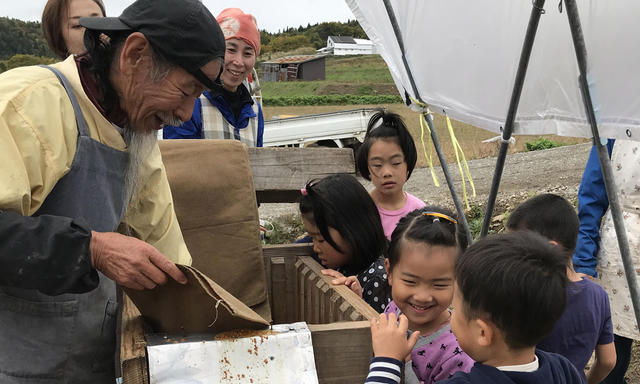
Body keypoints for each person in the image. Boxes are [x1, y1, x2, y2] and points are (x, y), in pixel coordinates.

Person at [0, 0, 225, 381]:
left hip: (89, 364)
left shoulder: (135, 130)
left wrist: (204, 325)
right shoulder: (28, 103)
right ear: (135, 55)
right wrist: (93, 249)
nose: (187, 115)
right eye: (186, 90)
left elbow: (165, 248)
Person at [368, 232, 585, 384]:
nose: (452, 315)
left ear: (482, 332)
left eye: (457, 307)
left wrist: (387, 361)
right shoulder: (563, 370)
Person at [507, 193, 615, 383]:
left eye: (516, 247)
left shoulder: (526, 295)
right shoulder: (598, 295)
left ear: (551, 248)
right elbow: (607, 360)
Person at [573, 139, 639, 384]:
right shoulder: (613, 131)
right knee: (614, 350)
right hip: (621, 253)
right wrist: (584, 260)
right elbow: (591, 196)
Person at [383, 207, 473, 383]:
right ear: (390, 272)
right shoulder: (394, 309)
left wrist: (403, 364)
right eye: (410, 281)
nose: (422, 296)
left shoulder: (456, 355)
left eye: (439, 284)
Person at [163, 8, 264, 147]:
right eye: (231, 50)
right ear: (214, 49)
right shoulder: (190, 102)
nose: (238, 62)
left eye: (247, 53)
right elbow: (177, 161)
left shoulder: (255, 112)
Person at [299, 173, 390, 312]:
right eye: (312, 238)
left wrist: (356, 304)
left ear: (353, 230)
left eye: (321, 239)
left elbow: (377, 328)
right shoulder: (344, 264)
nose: (316, 248)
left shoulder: (377, 279)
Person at [356, 110, 426, 239]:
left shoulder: (420, 212)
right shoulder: (360, 212)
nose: (387, 173)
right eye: (377, 165)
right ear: (367, 168)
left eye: (396, 162)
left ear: (408, 164)